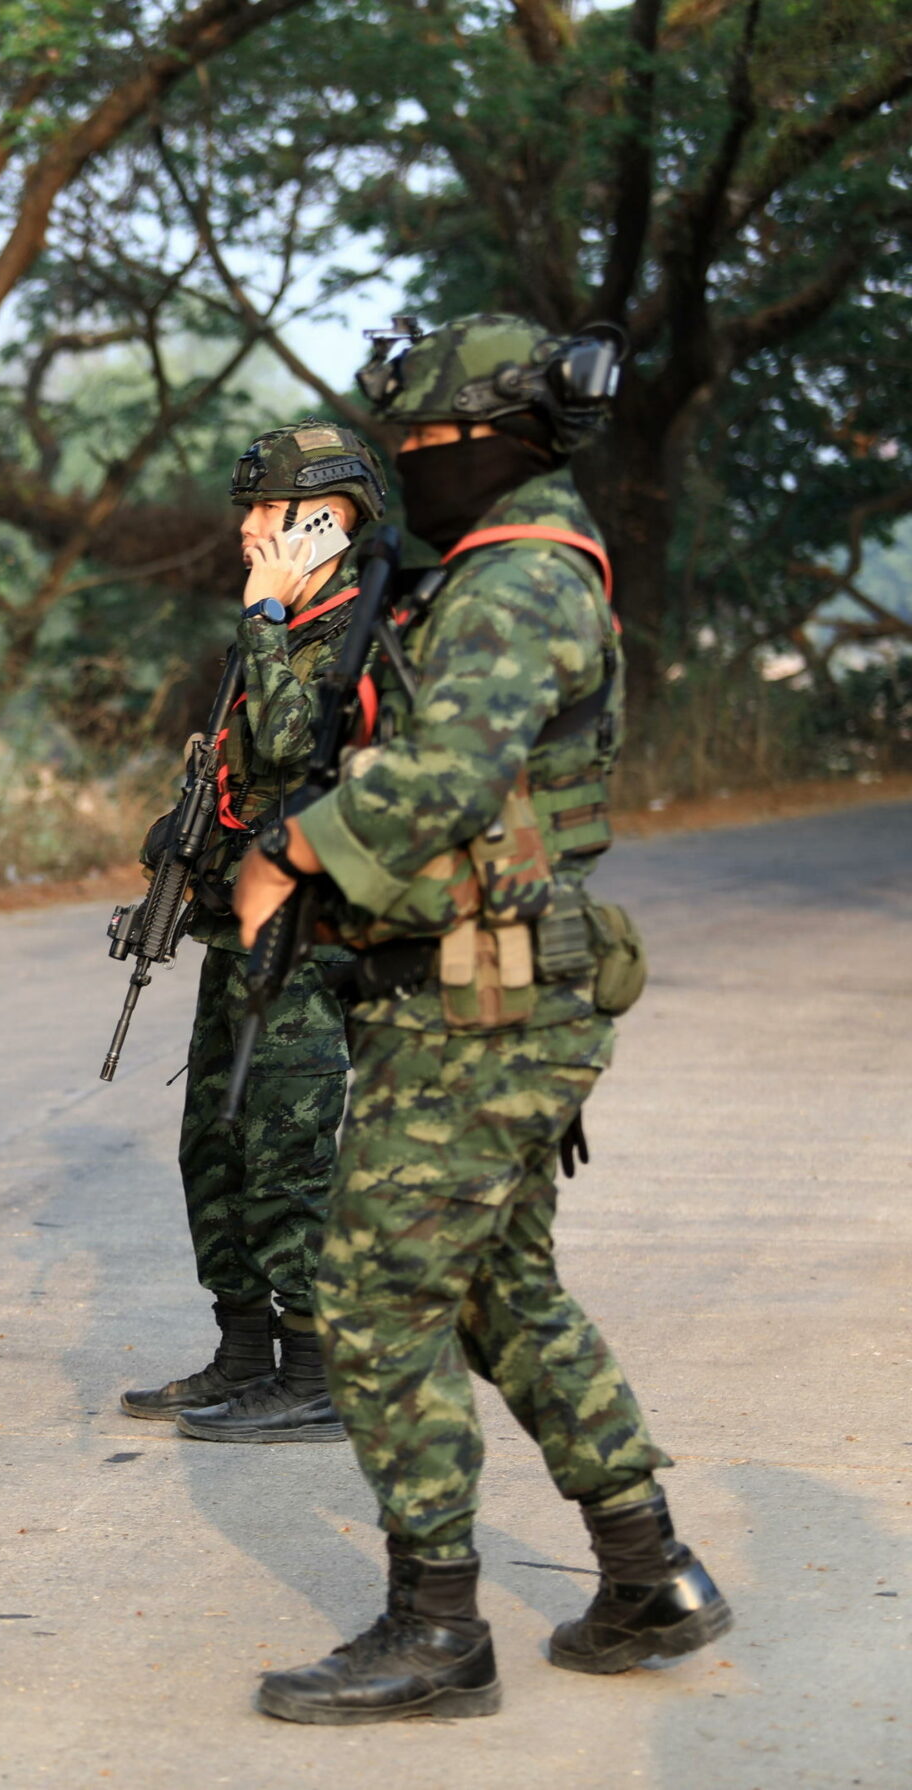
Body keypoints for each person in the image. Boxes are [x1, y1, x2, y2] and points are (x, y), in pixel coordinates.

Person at [234, 316, 731, 1723]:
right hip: (482, 987)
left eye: (420, 447)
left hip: (484, 1004)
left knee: (377, 1292)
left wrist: (293, 854)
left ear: (485, 443)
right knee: (498, 1289)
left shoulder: (518, 581)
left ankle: (435, 1627)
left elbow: (446, 779)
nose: (406, 469)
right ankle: (651, 1572)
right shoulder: (488, 572)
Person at [119, 423, 383, 1445]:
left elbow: (289, 744)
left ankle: (312, 1368)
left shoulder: (350, 628)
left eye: (263, 511)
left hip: (308, 943)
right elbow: (243, 773)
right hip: (239, 933)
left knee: (286, 1152)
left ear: (322, 518)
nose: (243, 529)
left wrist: (266, 618)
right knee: (214, 1145)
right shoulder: (276, 627)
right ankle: (240, 1352)